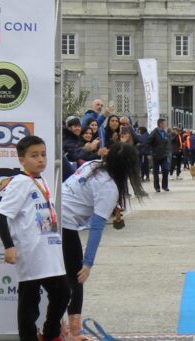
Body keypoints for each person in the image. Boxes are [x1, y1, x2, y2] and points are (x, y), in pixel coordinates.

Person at [61, 142, 146, 340]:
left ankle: (61, 326)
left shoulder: (92, 166)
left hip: (53, 216)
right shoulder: (109, 187)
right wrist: (88, 262)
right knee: (76, 279)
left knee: (61, 278)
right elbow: (97, 226)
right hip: (65, 225)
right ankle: (75, 332)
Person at [0, 135, 70, 341]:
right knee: (29, 303)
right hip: (31, 252)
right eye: (34, 155)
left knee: (62, 293)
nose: (41, 160)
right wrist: (9, 246)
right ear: (21, 160)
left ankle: (51, 333)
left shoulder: (42, 180)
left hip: (49, 250)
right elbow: (0, 215)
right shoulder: (20, 182)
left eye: (43, 154)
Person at [147, 118, 171, 192]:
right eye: (164, 123)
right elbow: (148, 143)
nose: (165, 125)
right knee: (156, 172)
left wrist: (168, 152)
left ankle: (165, 186)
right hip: (155, 155)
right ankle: (157, 187)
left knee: (166, 170)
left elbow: (167, 143)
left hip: (164, 155)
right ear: (160, 124)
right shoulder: (154, 133)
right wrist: (149, 153)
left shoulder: (165, 133)